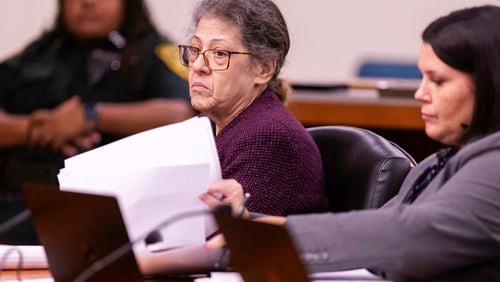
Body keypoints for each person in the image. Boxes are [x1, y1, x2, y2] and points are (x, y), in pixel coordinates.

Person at [202, 5, 500, 281]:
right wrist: (245, 225)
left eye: (437, 80)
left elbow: (402, 236)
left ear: (490, 83)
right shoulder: (436, 163)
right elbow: (373, 230)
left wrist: (254, 238)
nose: (420, 93)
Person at [0, 0, 194, 243]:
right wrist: (33, 129)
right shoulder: (38, 54)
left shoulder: (151, 53)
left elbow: (182, 114)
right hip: (20, 208)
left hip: (112, 217)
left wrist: (91, 117)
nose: (88, 3)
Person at [181, 0, 328, 216]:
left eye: (219, 54)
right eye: (195, 49)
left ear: (264, 69)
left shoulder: (268, 137)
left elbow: (230, 243)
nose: (198, 66)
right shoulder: (206, 127)